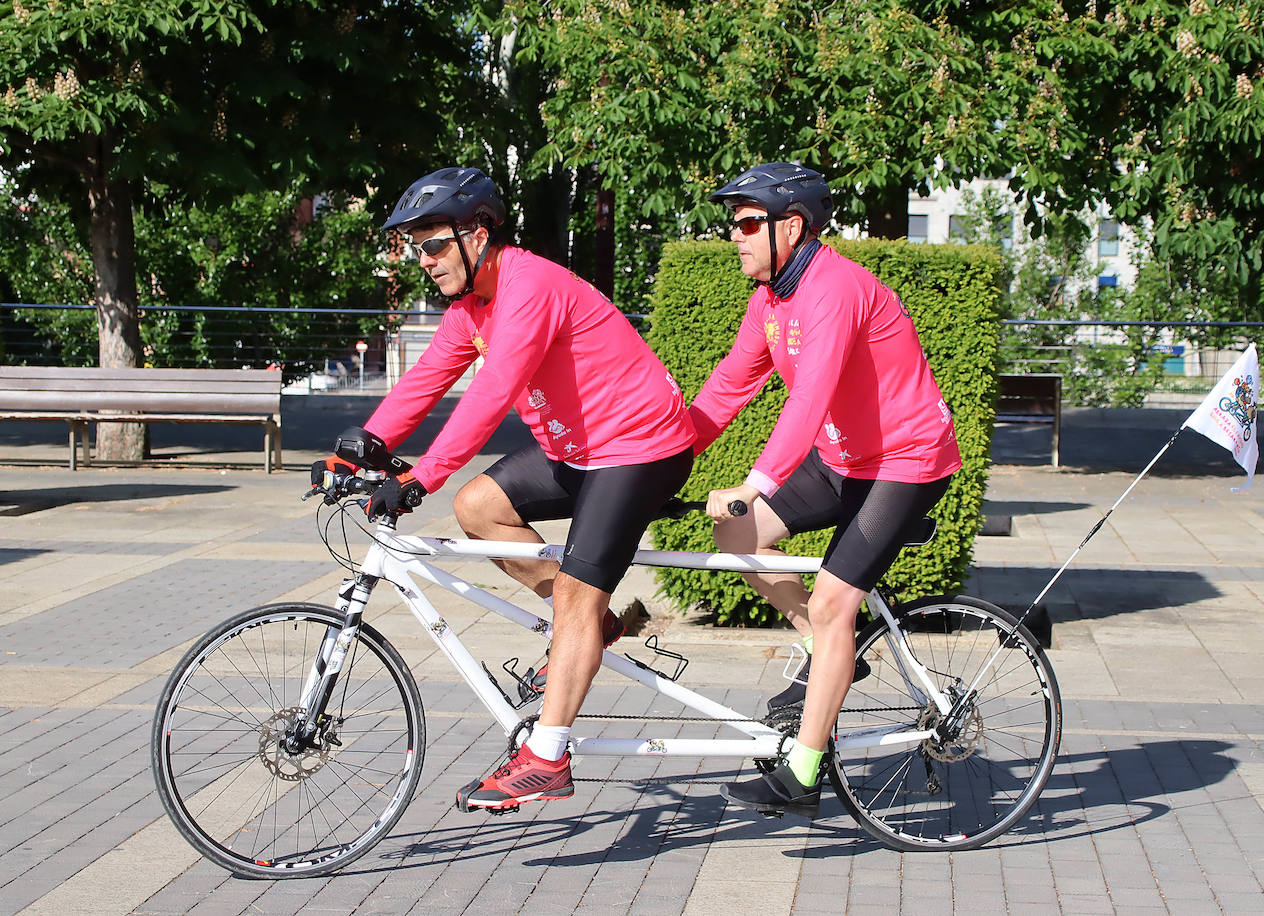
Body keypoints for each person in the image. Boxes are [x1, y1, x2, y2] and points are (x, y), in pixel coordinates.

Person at [314, 167, 695, 811]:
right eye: (416, 248)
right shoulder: (471, 308)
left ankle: (546, 757)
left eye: (434, 244)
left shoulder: (529, 286)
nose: (423, 260)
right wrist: (353, 454)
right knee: (478, 507)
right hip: (576, 450)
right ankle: (592, 628)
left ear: (478, 234)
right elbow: (425, 381)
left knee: (574, 589)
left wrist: (419, 477)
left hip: (639, 448)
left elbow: (491, 395)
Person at [689, 162, 963, 817]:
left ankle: (804, 772)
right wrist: (659, 459)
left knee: (835, 603)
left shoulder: (833, 289)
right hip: (843, 459)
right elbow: (729, 386)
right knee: (736, 535)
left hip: (906, 461)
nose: (736, 236)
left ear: (794, 227)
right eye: (734, 225)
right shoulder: (771, 300)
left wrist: (754, 483)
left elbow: (808, 398)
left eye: (749, 224)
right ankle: (828, 653)